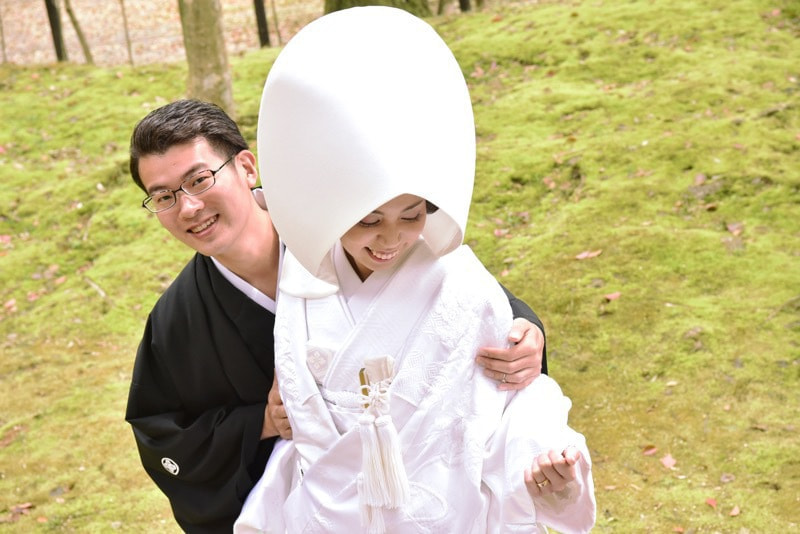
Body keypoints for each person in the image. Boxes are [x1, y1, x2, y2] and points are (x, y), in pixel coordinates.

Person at [235, 6, 595, 534]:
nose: (390, 239)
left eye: (411, 216)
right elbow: (300, 406)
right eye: (368, 221)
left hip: (440, 504)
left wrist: (546, 461)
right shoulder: (303, 280)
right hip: (331, 509)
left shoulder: (464, 288)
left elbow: (512, 403)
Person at [124, 95, 548, 532]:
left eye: (199, 180)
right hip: (315, 509)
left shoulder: (346, 229)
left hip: (430, 492)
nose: (188, 207)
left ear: (247, 167)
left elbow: (452, 290)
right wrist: (262, 423)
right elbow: (164, 435)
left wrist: (525, 330)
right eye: (163, 197)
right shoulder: (176, 321)